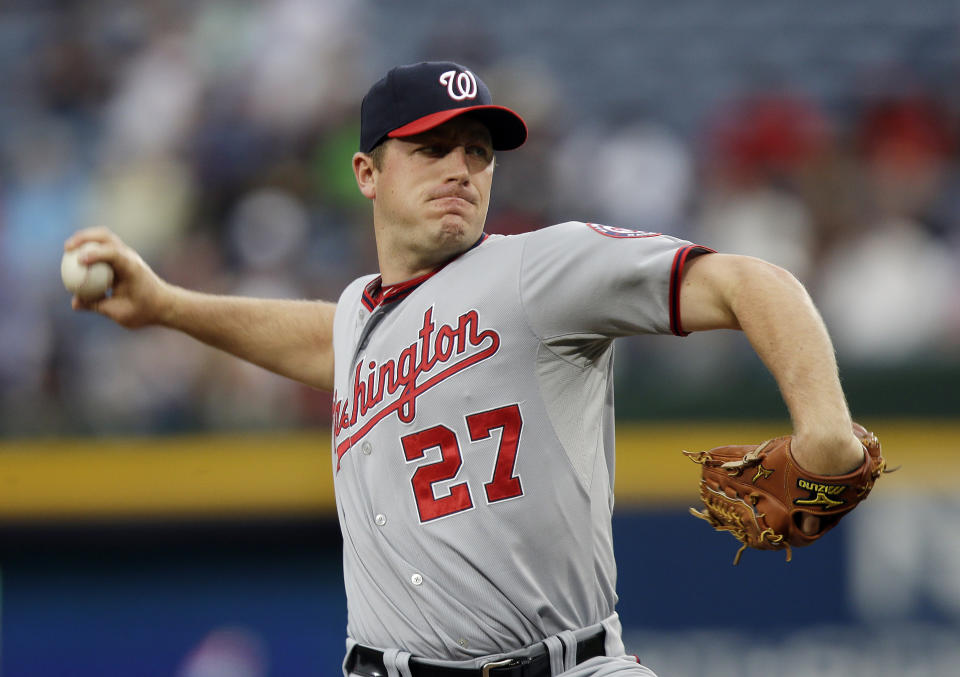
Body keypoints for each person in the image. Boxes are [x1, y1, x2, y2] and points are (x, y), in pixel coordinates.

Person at [65, 61, 866, 677]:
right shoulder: (362, 318)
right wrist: (167, 304)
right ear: (366, 175)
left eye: (479, 152)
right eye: (433, 148)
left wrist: (824, 427)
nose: (462, 168)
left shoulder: (540, 270)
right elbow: (325, 341)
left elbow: (749, 279)